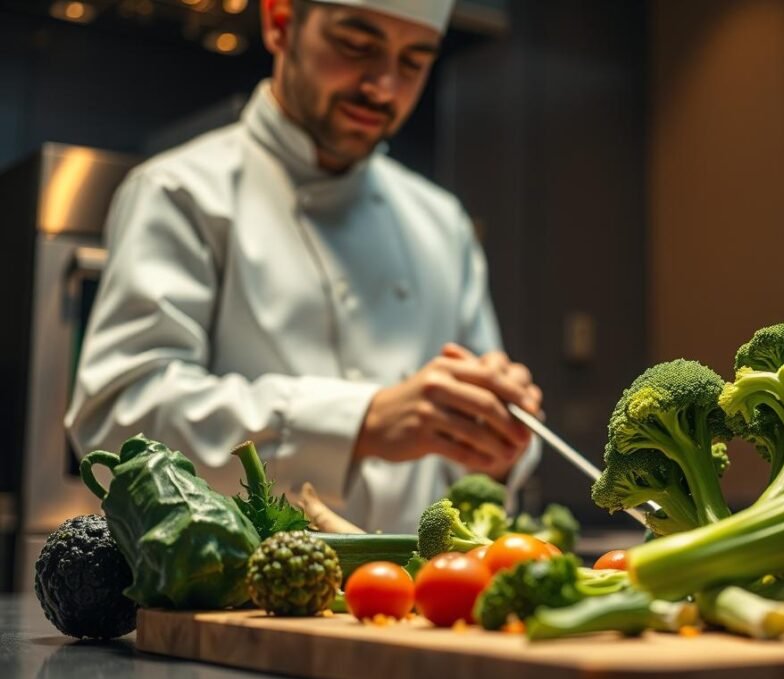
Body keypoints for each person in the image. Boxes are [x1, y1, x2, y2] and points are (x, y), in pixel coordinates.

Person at [65, 0, 541, 533]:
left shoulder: (441, 222)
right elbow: (118, 419)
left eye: (413, 62)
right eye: (357, 46)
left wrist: (499, 443)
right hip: (240, 606)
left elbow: (476, 465)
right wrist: (359, 423)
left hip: (417, 607)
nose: (383, 87)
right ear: (280, 22)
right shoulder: (181, 193)